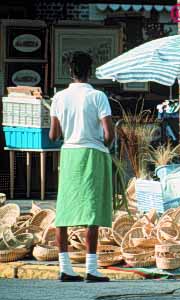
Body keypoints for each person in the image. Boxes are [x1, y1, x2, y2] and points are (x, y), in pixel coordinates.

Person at [49, 51, 114, 282]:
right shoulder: (98, 96)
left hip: (69, 154)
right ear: (90, 71)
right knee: (92, 210)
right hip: (93, 153)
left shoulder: (59, 97)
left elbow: (54, 134)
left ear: (70, 71)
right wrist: (99, 141)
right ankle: (91, 268)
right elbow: (109, 134)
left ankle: (65, 267)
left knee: (64, 210)